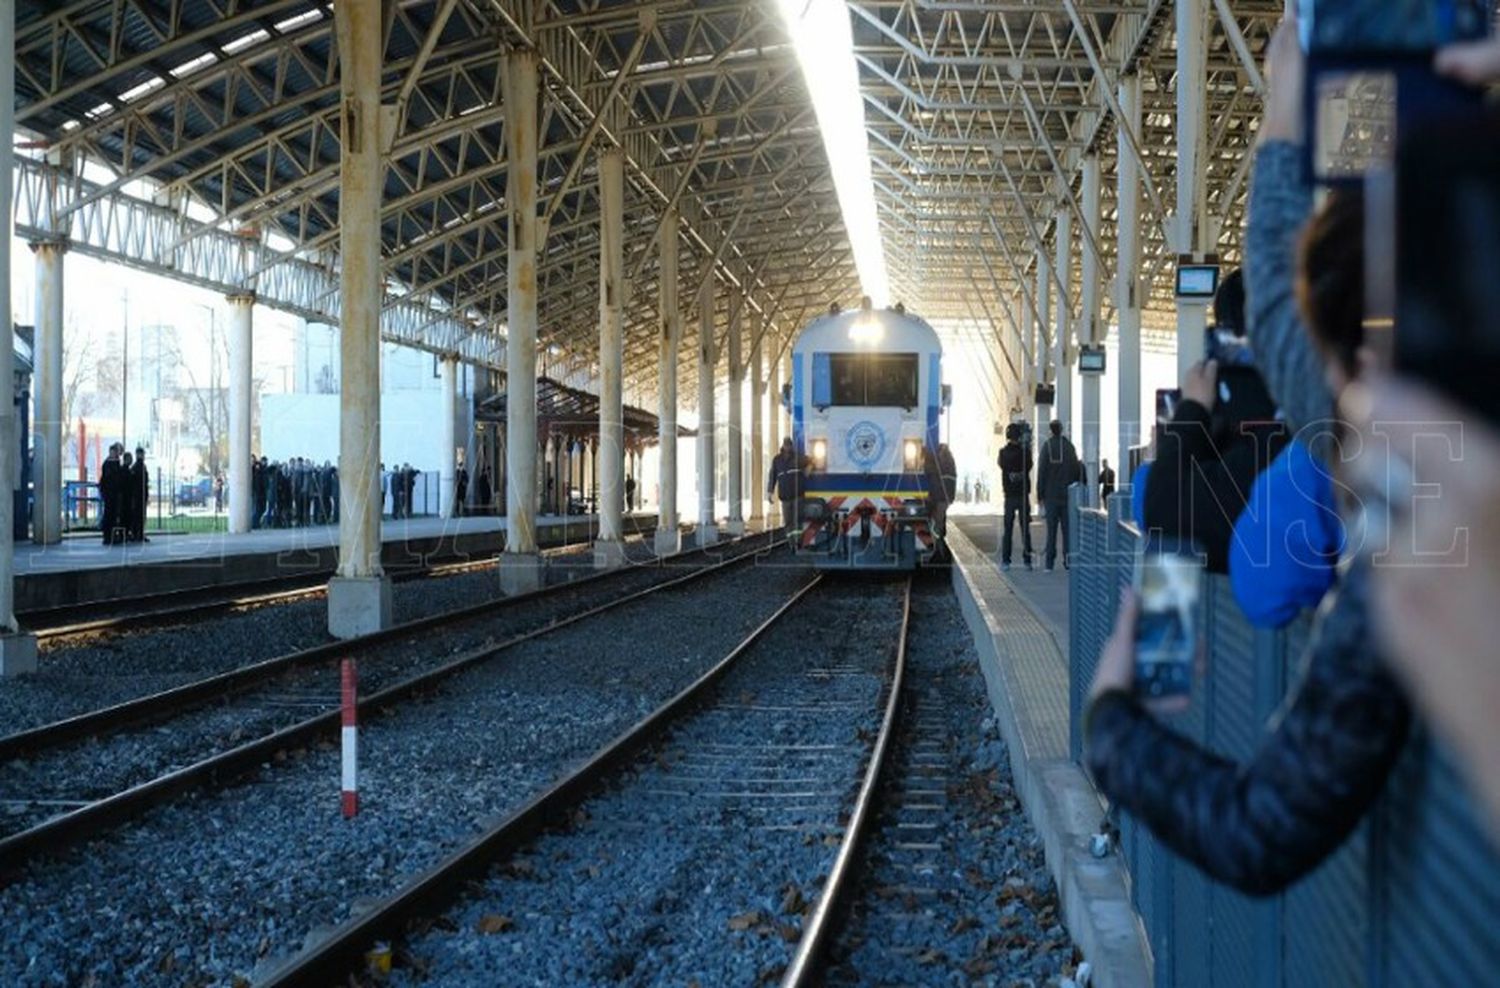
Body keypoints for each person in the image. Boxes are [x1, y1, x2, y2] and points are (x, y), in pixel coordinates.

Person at [1083, 17, 1412, 896]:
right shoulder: (1328, 428)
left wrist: (1115, 719)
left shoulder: (1351, 462)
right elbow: (1282, 284)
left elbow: (1256, 829)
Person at [1035, 420, 1079, 571]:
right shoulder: (1069, 447)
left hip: (1051, 496)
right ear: (1061, 430)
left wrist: (1039, 494)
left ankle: (1049, 564)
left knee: (1051, 530)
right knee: (1067, 531)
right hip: (1067, 496)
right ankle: (1068, 562)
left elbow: (1042, 471)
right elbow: (1076, 470)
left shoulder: (1046, 447)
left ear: (1050, 430)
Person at [998, 423, 1033, 571]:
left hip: (1009, 496)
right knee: (1025, 529)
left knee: (1008, 530)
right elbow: (1029, 465)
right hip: (1023, 494)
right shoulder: (1025, 452)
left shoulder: (1002, 453)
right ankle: (1027, 561)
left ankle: (1006, 561)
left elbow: (1001, 465)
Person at [768, 437, 801, 532]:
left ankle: (797, 543)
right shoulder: (777, 460)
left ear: (792, 446)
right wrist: (770, 492)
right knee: (788, 522)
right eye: (786, 445)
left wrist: (810, 467)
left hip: (797, 497)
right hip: (785, 497)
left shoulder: (798, 458)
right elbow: (772, 476)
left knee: (796, 522)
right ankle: (791, 543)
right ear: (783, 445)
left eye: (789, 445)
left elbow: (810, 461)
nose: (787, 447)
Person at [100, 443, 124, 544]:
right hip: (111, 493)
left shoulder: (113, 463)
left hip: (112, 493)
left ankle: (111, 535)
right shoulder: (109, 464)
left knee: (113, 515)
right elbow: (110, 479)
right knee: (110, 515)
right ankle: (108, 536)